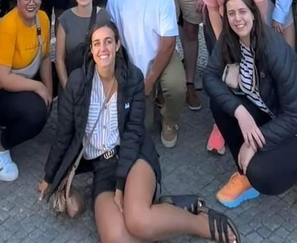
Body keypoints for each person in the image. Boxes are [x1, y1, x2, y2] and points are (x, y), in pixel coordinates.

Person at [40, 20, 241, 243]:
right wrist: (50, 177)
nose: (103, 48)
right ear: (91, 49)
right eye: (96, 43)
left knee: (138, 221)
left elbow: (133, 133)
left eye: (108, 41)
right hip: (102, 167)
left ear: (117, 45)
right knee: (118, 238)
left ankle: (200, 223)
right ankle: (167, 207)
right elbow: (63, 135)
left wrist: (120, 185)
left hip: (134, 156)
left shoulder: (132, 77)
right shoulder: (78, 83)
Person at [204, 0, 297, 214]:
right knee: (220, 105)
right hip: (270, 111)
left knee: (262, 175)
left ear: (254, 13)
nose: (237, 18)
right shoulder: (230, 37)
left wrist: (253, 143)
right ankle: (245, 175)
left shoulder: (273, 49)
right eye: (231, 13)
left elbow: (294, 116)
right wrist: (239, 111)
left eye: (242, 11)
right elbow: (209, 77)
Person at [107, 0, 187, 149]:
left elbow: (168, 43)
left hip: (162, 55)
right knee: (144, 127)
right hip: (131, 64)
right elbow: (111, 39)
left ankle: (170, 120)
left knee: (176, 86)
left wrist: (150, 80)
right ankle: (152, 102)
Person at [202, 0, 269, 155]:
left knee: (247, 76)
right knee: (222, 76)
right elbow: (212, 8)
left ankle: (253, 118)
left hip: (249, 29)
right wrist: (224, 41)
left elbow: (260, 16)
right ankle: (220, 124)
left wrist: (245, 42)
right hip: (221, 26)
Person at [0, 0, 54, 181]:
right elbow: (2, 78)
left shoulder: (42, 18)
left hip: (24, 81)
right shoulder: (8, 26)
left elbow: (44, 58)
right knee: (35, 113)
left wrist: (48, 90)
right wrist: (39, 87)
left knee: (63, 77)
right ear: (17, 0)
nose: (31, 3)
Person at [55, 0, 103, 89]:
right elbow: (59, 59)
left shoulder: (104, 17)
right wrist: (67, 86)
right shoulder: (65, 19)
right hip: (72, 83)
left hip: (98, 85)